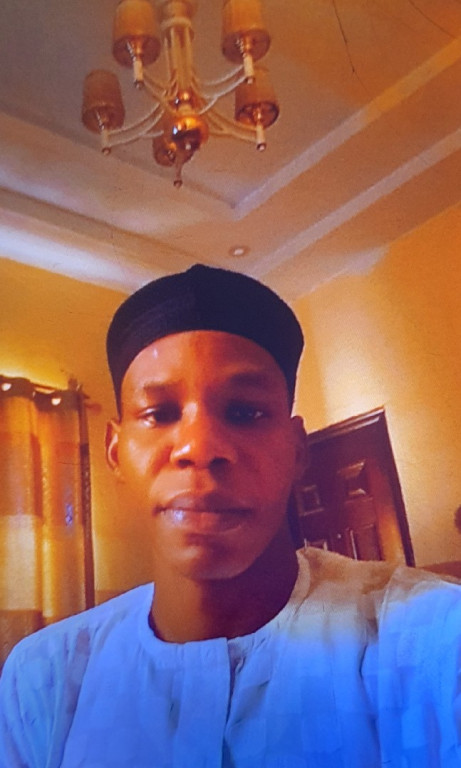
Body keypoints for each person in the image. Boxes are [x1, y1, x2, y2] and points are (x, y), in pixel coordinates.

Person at [0, 264, 460, 768]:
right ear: (115, 453)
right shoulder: (43, 680)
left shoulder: (433, 643)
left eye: (244, 412)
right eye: (160, 414)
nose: (199, 448)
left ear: (297, 449)